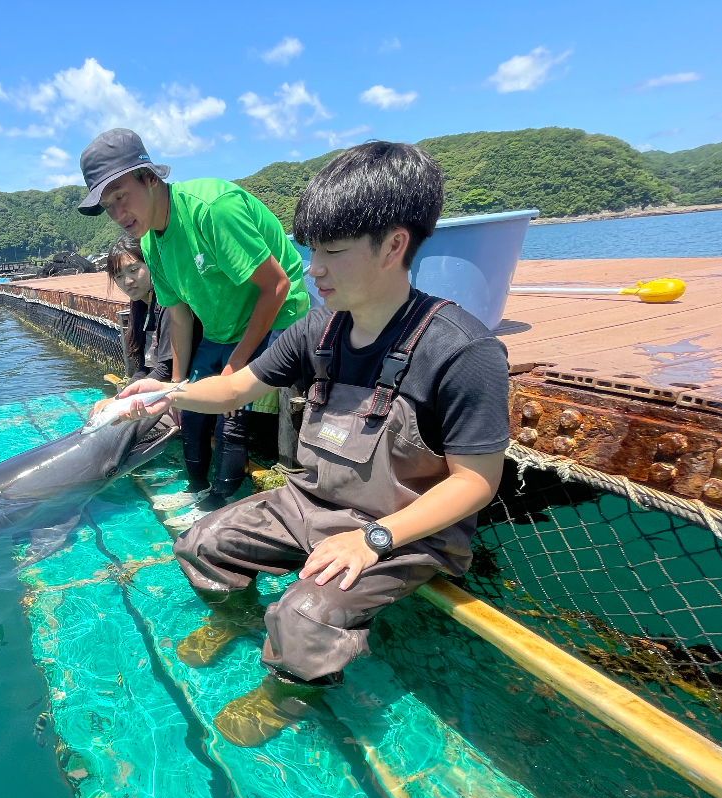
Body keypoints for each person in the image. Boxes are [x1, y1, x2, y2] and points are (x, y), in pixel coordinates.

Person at [118, 142, 511, 747]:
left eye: (332, 252)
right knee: (202, 542)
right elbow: (237, 388)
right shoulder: (316, 329)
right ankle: (239, 617)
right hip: (314, 500)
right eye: (311, 251)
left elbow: (477, 481)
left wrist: (373, 539)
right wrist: (167, 394)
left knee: (304, 616)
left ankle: (291, 690)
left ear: (394, 245)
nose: (312, 270)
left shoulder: (462, 350)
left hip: (402, 527)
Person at [78, 128, 309, 514]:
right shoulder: (152, 243)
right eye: (108, 206)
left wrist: (234, 371)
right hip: (220, 328)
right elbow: (181, 317)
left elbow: (278, 285)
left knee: (229, 414)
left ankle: (219, 503)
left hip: (275, 318)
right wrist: (175, 386)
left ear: (150, 177)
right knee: (191, 413)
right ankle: (196, 487)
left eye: (121, 197)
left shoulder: (212, 210)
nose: (118, 215)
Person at [106, 233, 182, 382]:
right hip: (156, 389)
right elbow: (144, 367)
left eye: (134, 270)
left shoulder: (169, 305)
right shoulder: (140, 307)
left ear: (151, 262)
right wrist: (121, 397)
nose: (127, 281)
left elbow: (167, 368)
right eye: (119, 276)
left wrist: (124, 399)